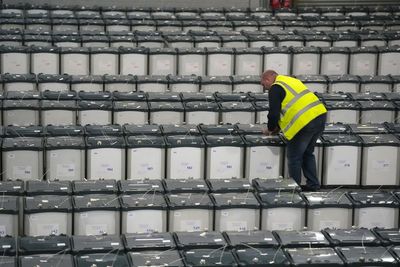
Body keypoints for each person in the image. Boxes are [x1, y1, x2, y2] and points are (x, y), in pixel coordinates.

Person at [260, 70, 327, 191]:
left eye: (263, 85)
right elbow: (293, 106)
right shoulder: (291, 80)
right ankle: (313, 185)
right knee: (307, 153)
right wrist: (277, 128)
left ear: (267, 79)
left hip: (304, 122)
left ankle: (294, 189)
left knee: (294, 157)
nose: (264, 88)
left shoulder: (275, 88)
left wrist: (270, 129)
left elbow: (274, 113)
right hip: (320, 115)